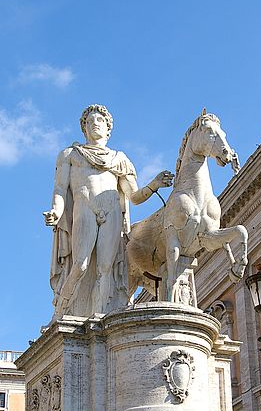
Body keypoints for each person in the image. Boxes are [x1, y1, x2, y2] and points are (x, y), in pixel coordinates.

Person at [44, 104, 173, 320]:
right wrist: (56, 211)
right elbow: (59, 188)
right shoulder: (70, 155)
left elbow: (134, 196)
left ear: (108, 128)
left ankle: (100, 316)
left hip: (112, 211)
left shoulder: (119, 159)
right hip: (84, 208)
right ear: (84, 128)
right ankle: (61, 311)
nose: (95, 124)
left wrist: (154, 184)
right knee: (81, 263)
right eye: (90, 121)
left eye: (100, 121)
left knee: (106, 267)